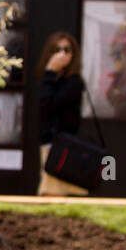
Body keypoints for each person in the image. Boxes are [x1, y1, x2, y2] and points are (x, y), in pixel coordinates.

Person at [36, 31, 89, 196]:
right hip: (49, 143)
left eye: (67, 50)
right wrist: (50, 74)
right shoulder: (50, 79)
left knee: (52, 193)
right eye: (57, 50)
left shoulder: (74, 82)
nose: (61, 54)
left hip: (62, 145)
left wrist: (50, 72)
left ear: (74, 55)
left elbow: (50, 105)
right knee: (50, 192)